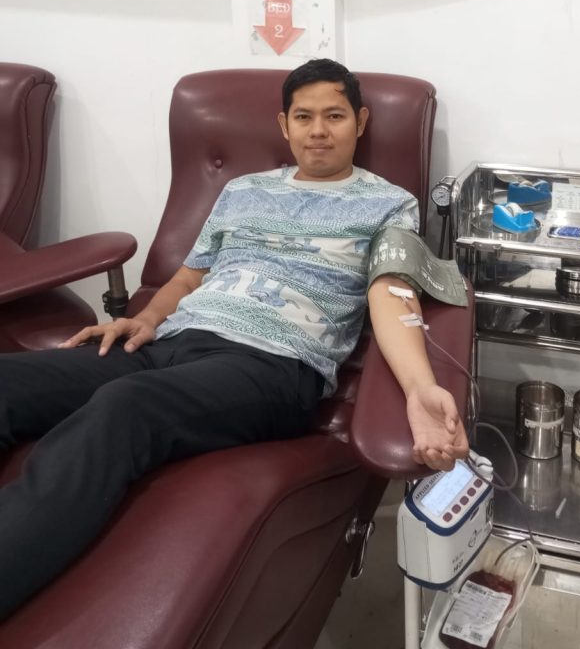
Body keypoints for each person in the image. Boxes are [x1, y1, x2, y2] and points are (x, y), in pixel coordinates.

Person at [0, 58, 469, 620]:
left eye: (335, 115)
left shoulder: (390, 203)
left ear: (360, 122)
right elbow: (189, 276)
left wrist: (419, 388)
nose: (318, 130)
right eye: (304, 117)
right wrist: (147, 319)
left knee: (123, 408)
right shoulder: (241, 190)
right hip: (173, 343)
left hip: (273, 366)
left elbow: (391, 292)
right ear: (285, 125)